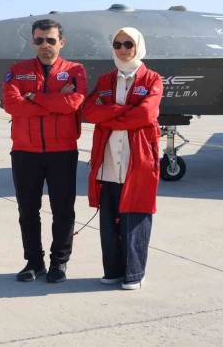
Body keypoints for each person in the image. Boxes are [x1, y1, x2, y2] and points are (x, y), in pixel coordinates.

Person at [1, 19, 87, 283]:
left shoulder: (74, 70)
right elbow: (11, 104)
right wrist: (55, 100)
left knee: (63, 209)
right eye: (39, 40)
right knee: (28, 210)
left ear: (61, 42)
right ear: (32, 42)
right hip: (25, 152)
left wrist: (33, 97)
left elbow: (73, 103)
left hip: (62, 151)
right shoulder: (18, 70)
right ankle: (34, 262)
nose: (45, 45)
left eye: (50, 40)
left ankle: (59, 263)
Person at [83, 27, 163, 290]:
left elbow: (146, 115)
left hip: (137, 160)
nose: (123, 49)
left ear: (138, 46)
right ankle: (113, 271)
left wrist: (110, 115)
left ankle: (134, 273)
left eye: (129, 44)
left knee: (136, 217)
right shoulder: (106, 80)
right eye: (117, 44)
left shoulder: (152, 79)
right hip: (108, 162)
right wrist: (124, 111)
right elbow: (90, 111)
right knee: (108, 221)